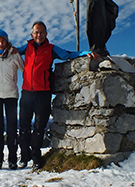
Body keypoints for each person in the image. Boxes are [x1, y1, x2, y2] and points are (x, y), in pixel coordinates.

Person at [17, 21, 95, 170]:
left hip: (43, 94)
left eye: (41, 32)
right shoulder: (26, 47)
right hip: (26, 93)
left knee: (39, 127)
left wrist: (84, 53)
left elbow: (67, 55)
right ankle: (24, 156)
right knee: (24, 128)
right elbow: (11, 51)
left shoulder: (51, 49)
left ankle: (36, 158)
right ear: (31, 34)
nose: (38, 35)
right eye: (36, 32)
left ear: (46, 34)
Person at [0, 29, 24, 170]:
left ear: (7, 41)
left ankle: (12, 159)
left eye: (3, 40)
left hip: (11, 95)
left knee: (12, 129)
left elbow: (25, 69)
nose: (1, 43)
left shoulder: (14, 55)